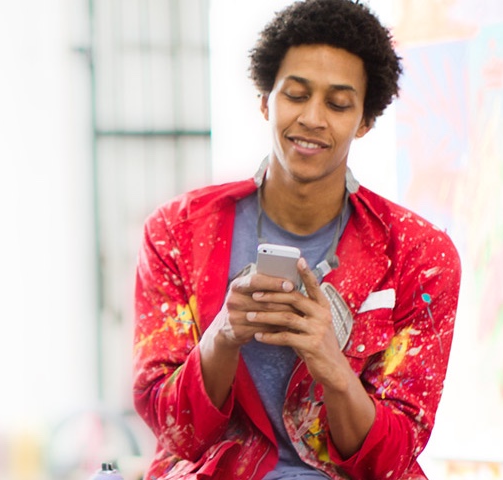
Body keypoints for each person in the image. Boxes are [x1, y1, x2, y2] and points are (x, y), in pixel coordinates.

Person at [130, 1, 461, 479]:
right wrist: (222, 337)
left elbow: (392, 459)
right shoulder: (179, 232)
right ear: (266, 101)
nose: (312, 118)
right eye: (296, 94)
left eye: (339, 103)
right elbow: (175, 433)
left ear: (365, 120)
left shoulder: (419, 256)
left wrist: (332, 366)